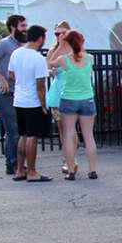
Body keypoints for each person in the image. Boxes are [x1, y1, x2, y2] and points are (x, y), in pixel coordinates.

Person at [48, 30, 98, 180]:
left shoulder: (64, 60)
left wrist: (59, 45)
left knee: (69, 134)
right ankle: (92, 169)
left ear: (67, 43)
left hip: (69, 98)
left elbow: (49, 62)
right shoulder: (90, 58)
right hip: (87, 98)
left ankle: (71, 169)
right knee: (89, 135)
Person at [9, 25, 51, 182]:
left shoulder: (16, 53)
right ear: (40, 38)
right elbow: (40, 87)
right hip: (32, 102)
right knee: (32, 137)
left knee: (23, 135)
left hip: (18, 99)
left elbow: (10, 74)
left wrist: (22, 81)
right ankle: (32, 171)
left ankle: (20, 170)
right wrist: (44, 105)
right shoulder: (38, 59)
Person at [0, 14, 28, 174]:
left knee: (16, 129)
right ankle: (15, 164)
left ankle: (13, 163)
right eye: (22, 26)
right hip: (5, 92)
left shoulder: (23, 44)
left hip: (18, 90)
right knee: (13, 129)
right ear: (13, 27)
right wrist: (1, 78)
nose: (25, 29)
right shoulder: (4, 45)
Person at [45, 21, 74, 175]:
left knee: (72, 128)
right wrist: (51, 71)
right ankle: (67, 159)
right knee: (62, 128)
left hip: (73, 91)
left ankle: (72, 158)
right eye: (57, 33)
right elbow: (49, 67)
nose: (60, 36)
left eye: (63, 33)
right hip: (58, 93)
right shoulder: (53, 51)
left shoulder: (75, 49)